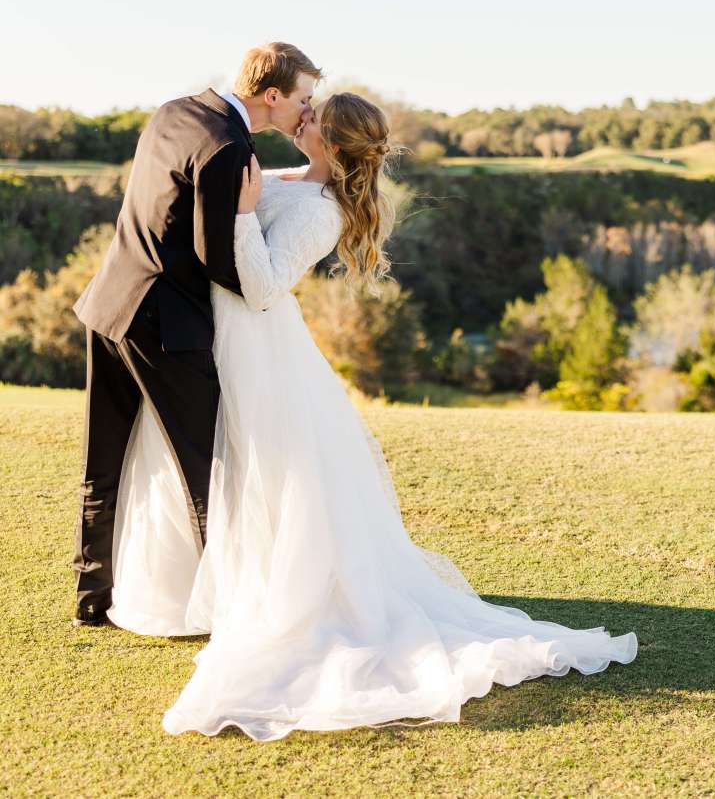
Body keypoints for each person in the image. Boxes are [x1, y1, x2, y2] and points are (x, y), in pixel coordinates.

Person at [104, 92, 637, 740]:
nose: (303, 114)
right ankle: (196, 590)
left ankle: (274, 596)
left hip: (257, 342)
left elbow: (265, 287)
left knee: (261, 468)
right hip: (219, 333)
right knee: (223, 462)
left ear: (333, 143)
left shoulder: (321, 211)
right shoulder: (284, 176)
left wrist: (242, 215)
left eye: (315, 115)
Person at [70, 42, 320, 627]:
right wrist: (261, 289)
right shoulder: (230, 146)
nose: (308, 109)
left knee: (102, 462)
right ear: (273, 95)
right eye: (304, 98)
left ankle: (90, 598)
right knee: (206, 470)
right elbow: (216, 257)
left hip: (109, 302)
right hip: (167, 326)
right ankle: (231, 610)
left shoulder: (175, 110)